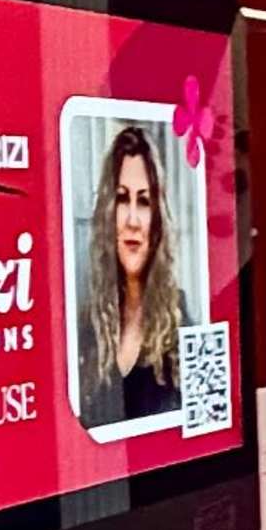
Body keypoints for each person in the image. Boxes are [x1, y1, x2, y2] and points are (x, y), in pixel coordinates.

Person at [78, 118, 185, 429]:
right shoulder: (87, 328)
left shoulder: (181, 323)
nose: (133, 220)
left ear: (157, 219)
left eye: (145, 201)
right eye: (123, 199)